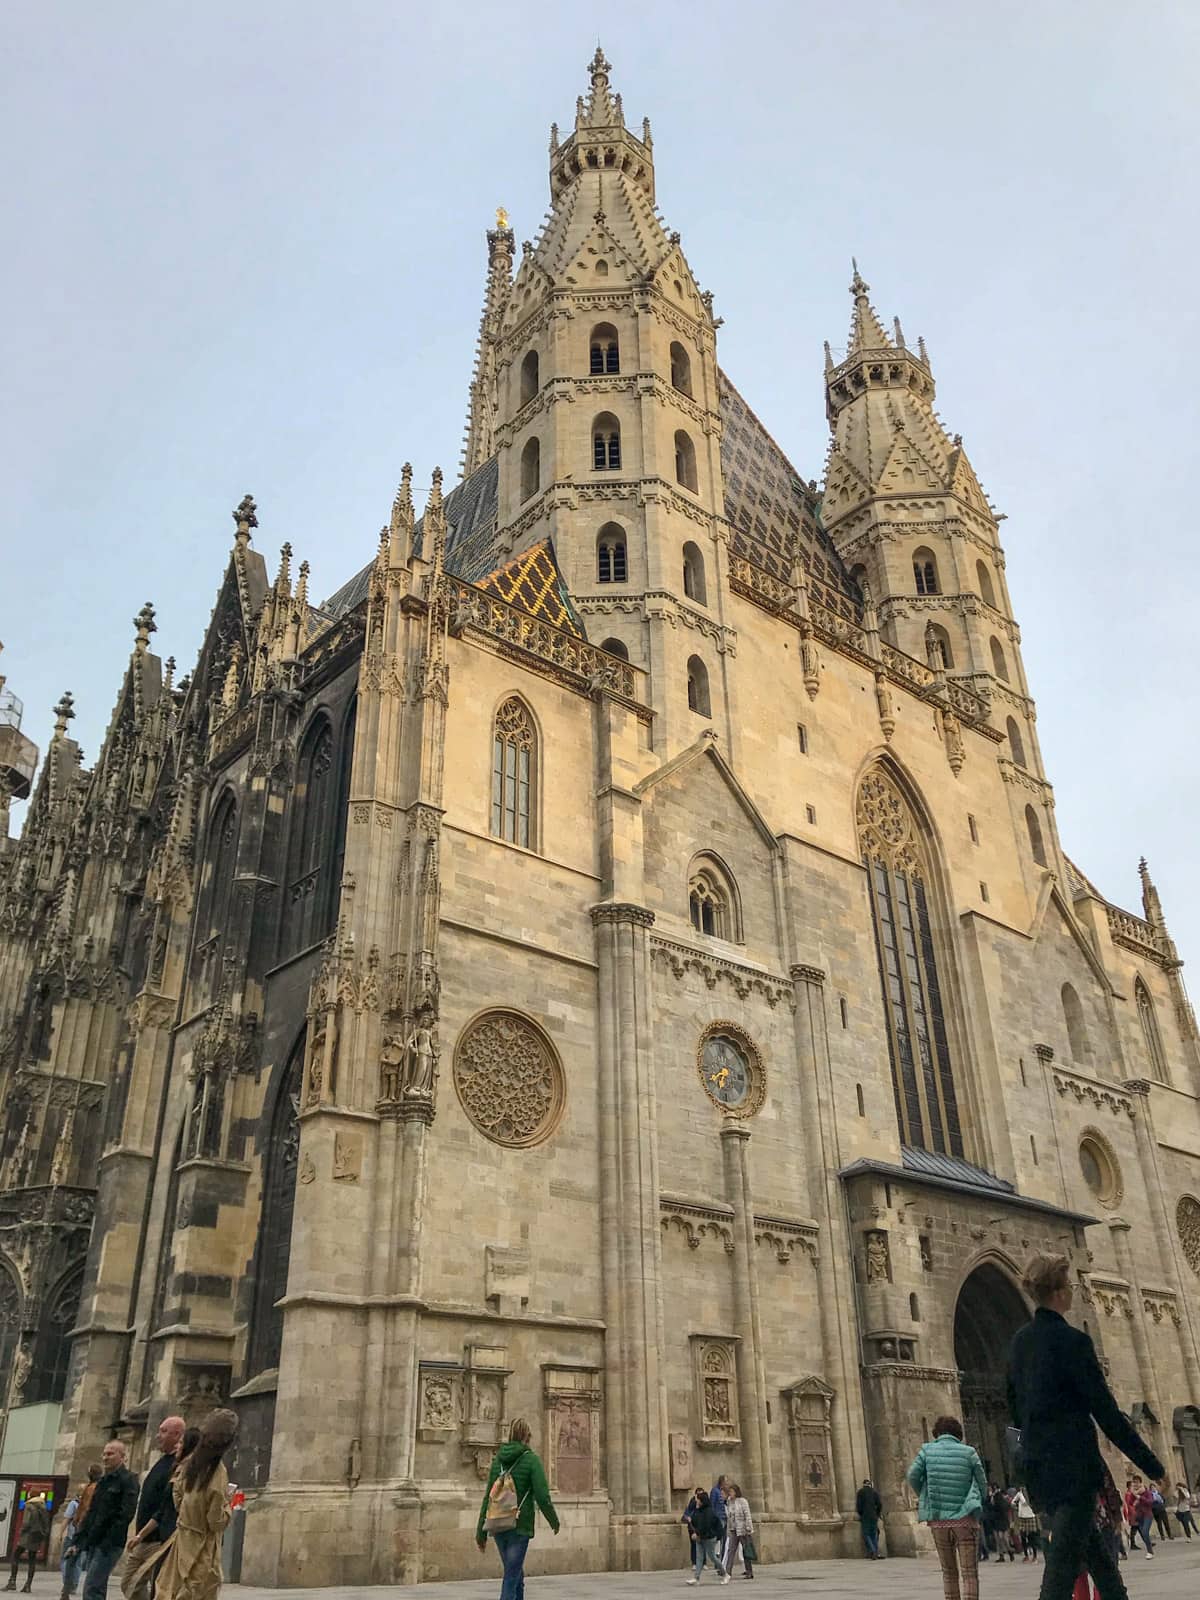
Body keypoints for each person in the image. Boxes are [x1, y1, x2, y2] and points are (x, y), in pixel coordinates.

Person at [1007, 1252, 1164, 1600]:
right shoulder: (1075, 1342)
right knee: (1060, 1574)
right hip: (1075, 1470)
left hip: (1038, 1472)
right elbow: (1107, 1415)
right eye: (1071, 1285)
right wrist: (1152, 1466)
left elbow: (1013, 1408)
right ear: (1060, 1293)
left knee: (1099, 1561)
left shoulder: (1020, 1343)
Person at [153, 1410, 238, 1600]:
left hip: (181, 1543)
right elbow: (215, 1522)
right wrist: (228, 1505)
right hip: (202, 1550)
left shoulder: (190, 1466)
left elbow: (178, 1498)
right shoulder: (217, 1473)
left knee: (169, 1591)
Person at [475, 1417, 559, 1600]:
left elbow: (488, 1497)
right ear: (527, 1436)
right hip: (519, 1525)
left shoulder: (498, 1461)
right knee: (511, 1577)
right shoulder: (531, 1460)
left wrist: (480, 1532)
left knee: (516, 1574)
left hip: (498, 1523)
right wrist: (554, 1521)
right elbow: (543, 1496)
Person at [907, 1415, 987, 1600]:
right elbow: (982, 1483)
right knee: (969, 1573)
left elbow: (912, 1475)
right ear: (958, 1433)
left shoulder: (927, 1451)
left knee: (948, 1572)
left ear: (937, 1433)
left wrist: (925, 1494)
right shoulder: (969, 1452)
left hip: (939, 1521)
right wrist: (976, 1501)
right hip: (965, 1520)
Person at [120, 1416, 185, 1600]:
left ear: (177, 1435)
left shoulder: (177, 1465)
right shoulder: (162, 1461)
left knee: (156, 1587)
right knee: (128, 1583)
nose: (158, 1436)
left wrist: (144, 1533)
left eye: (163, 1431)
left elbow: (166, 1506)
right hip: (144, 1537)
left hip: (159, 1538)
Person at [66, 1442, 139, 1600]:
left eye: (111, 1454)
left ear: (122, 1457)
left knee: (92, 1587)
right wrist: (78, 1541)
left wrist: (108, 1540)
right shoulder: (103, 1482)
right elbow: (91, 1512)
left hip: (110, 1543)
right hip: (94, 1540)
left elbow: (126, 1514)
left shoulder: (128, 1480)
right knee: (96, 1586)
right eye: (104, 1454)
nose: (106, 1457)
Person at [61, 1470, 102, 1600]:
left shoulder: (89, 1490)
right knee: (79, 1562)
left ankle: (67, 1590)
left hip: (79, 1532)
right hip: (87, 1531)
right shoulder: (97, 1489)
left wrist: (65, 1531)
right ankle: (72, 1587)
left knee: (69, 1560)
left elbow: (75, 1515)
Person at [6, 1493, 51, 1594]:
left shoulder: (29, 1506)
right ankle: (28, 1585)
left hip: (28, 1535)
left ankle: (12, 1581)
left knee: (16, 1555)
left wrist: (22, 1530)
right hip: (37, 1536)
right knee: (32, 1559)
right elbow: (46, 1523)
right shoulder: (43, 1507)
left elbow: (27, 1521)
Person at [684, 1488, 726, 1585]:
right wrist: (690, 1520)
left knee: (713, 1557)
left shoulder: (708, 1512)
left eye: (697, 1500)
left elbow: (705, 1526)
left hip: (709, 1537)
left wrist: (697, 1534)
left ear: (701, 1501)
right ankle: (696, 1578)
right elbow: (695, 1520)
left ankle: (725, 1574)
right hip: (701, 1537)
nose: (696, 1501)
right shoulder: (699, 1511)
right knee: (699, 1557)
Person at [723, 1485, 755, 1581]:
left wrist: (748, 1527)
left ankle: (749, 1571)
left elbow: (747, 1514)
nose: (731, 1493)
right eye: (730, 1492)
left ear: (736, 1492)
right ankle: (728, 1572)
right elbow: (729, 1515)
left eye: (732, 1491)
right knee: (731, 1550)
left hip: (743, 1529)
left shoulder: (742, 1501)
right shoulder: (729, 1501)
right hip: (733, 1529)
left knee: (746, 1550)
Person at [855, 1478, 883, 1560]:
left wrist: (861, 1514)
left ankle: (873, 1551)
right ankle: (875, 1552)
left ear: (863, 1484)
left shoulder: (860, 1492)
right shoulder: (874, 1492)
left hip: (865, 1516)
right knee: (874, 1534)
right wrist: (877, 1514)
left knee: (866, 1534)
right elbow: (879, 1504)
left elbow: (859, 1506)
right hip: (874, 1516)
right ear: (870, 1484)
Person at [1012, 1488, 1040, 1560]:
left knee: (1032, 1537)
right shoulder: (1019, 1494)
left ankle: (1035, 1555)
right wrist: (1017, 1507)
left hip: (1030, 1515)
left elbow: (1026, 1502)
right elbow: (1012, 1502)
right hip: (1022, 1517)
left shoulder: (1031, 1493)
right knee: (1023, 1536)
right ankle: (1026, 1555)